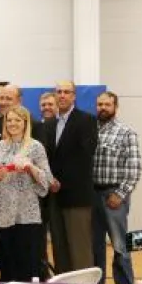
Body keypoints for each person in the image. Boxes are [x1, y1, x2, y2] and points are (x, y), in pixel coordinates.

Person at [0, 106, 51, 282]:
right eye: (9, 120)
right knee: (7, 263)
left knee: (27, 264)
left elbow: (47, 180)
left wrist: (31, 168)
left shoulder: (36, 147)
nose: (12, 124)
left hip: (26, 214)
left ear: (25, 123)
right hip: (2, 213)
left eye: (17, 120)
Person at [45, 81, 98, 273]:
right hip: (54, 195)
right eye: (59, 92)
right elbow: (47, 159)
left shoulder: (87, 120)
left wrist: (61, 182)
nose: (62, 95)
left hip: (77, 196)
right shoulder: (49, 124)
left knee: (80, 251)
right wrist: (50, 180)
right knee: (60, 249)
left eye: (67, 92)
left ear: (74, 96)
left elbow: (84, 157)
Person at [92, 91, 142, 284]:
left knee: (121, 246)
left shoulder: (126, 132)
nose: (103, 108)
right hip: (92, 194)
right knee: (95, 246)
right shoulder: (90, 130)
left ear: (115, 107)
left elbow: (135, 168)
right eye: (100, 104)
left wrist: (120, 194)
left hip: (114, 195)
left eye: (107, 104)